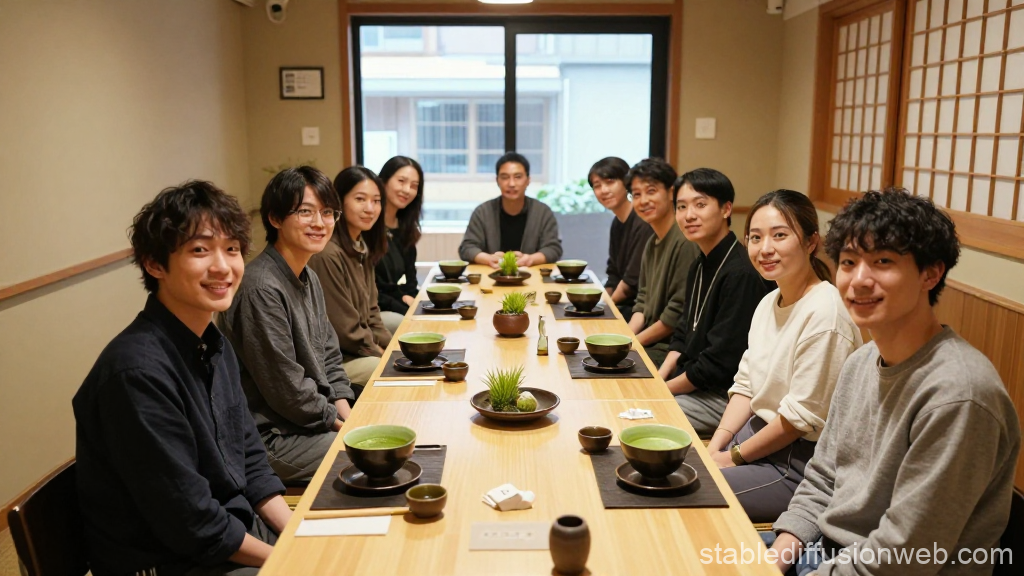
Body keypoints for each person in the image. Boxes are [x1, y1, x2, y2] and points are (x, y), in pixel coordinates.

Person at [768, 189, 1020, 576]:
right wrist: (776, 557)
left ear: (931, 273)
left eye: (883, 261)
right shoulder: (860, 362)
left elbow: (903, 554)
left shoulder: (959, 394)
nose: (859, 280)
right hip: (825, 551)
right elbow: (821, 478)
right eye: (849, 262)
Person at [74, 181, 290, 575]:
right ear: (154, 264)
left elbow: (251, 460)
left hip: (225, 535)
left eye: (232, 249)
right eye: (200, 250)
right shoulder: (136, 374)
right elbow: (193, 524)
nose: (223, 266)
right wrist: (291, 560)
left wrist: (297, 535)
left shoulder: (211, 343)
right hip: (169, 561)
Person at [705, 190, 861, 524]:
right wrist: (715, 447)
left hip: (797, 463)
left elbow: (797, 421)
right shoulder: (769, 301)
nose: (765, 249)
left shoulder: (825, 312)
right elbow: (745, 385)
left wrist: (731, 457)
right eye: (756, 238)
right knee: (677, 472)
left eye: (779, 235)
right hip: (753, 437)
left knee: (695, 493)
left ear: (810, 242)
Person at [219, 166, 356, 483]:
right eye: (306, 212)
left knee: (384, 437)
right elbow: (288, 391)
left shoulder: (308, 276)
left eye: (327, 212)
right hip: (270, 439)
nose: (319, 223)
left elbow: (330, 357)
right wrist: (343, 425)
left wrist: (349, 416)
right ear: (275, 218)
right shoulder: (261, 289)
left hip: (306, 423)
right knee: (376, 456)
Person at [661, 168, 774, 438]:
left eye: (700, 205)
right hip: (694, 384)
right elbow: (680, 335)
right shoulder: (699, 264)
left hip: (725, 396)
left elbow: (717, 366)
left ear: (726, 209)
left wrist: (660, 392)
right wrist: (658, 379)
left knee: (645, 414)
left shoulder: (741, 273)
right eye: (681, 207)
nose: (689, 215)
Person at [308, 166, 392, 389]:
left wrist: (394, 349)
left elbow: (372, 312)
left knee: (405, 341)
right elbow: (345, 331)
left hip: (358, 347)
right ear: (340, 203)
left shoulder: (361, 246)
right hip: (339, 359)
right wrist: (383, 354)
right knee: (384, 368)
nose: (370, 208)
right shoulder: (327, 253)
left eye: (376, 201)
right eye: (360, 199)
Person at [626, 158, 700, 367]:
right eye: (636, 194)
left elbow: (675, 316)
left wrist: (631, 344)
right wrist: (625, 338)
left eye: (651, 191)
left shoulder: (685, 241)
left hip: (670, 350)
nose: (643, 201)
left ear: (671, 193)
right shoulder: (652, 241)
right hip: (651, 342)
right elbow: (642, 298)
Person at [458, 151, 562, 267]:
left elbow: (553, 248)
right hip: (491, 276)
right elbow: (467, 248)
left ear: (528, 180)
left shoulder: (542, 212)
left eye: (518, 177)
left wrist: (530, 259)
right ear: (497, 180)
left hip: (532, 278)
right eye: (505, 177)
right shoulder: (483, 212)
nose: (511, 184)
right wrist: (488, 259)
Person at [589, 156, 654, 319]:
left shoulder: (643, 222)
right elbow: (613, 275)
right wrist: (601, 302)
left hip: (640, 309)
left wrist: (604, 307)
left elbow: (631, 282)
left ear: (627, 183)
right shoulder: (617, 223)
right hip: (623, 304)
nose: (603, 190)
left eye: (610, 182)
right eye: (597, 186)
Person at [375, 156, 423, 334]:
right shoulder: (368, 226)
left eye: (414, 186)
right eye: (401, 181)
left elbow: (411, 280)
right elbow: (371, 288)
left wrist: (412, 300)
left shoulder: (405, 228)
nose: (407, 190)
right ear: (384, 181)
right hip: (378, 308)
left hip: (398, 303)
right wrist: (404, 302)